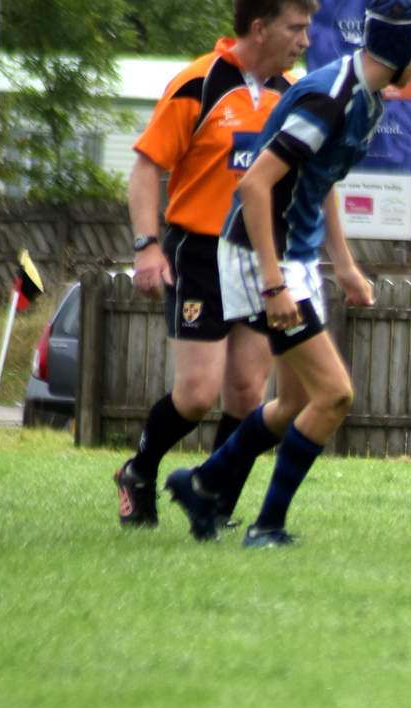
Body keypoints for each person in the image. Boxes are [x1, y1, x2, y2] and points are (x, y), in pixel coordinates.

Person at [164, 0, 411, 547]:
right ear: (403, 49)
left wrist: (345, 265)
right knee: (334, 396)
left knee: (293, 404)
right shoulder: (328, 99)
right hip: (261, 257)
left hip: (298, 257)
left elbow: (319, 178)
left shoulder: (368, 100)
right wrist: (273, 283)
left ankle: (203, 484)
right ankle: (267, 526)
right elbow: (254, 185)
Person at [113, 0, 316, 530]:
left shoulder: (294, 94)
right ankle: (138, 471)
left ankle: (214, 503)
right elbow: (145, 169)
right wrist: (146, 246)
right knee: (198, 395)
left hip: (257, 258)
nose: (305, 40)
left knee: (248, 394)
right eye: (296, 28)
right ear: (260, 28)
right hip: (199, 254)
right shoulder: (198, 84)